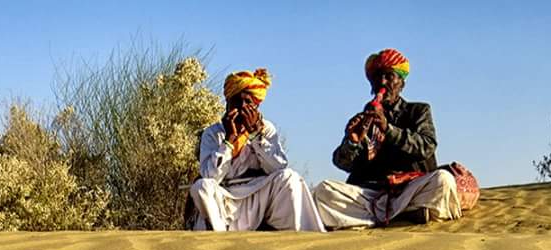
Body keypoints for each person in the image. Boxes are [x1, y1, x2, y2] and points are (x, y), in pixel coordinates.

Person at [313, 48, 461, 228]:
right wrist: (351, 141)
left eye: (389, 76)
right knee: (323, 191)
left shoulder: (418, 111)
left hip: (407, 190)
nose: (382, 82)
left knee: (443, 180)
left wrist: (388, 130)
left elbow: (427, 146)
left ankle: (380, 217)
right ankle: (400, 216)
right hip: (370, 194)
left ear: (401, 84)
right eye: (378, 77)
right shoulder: (365, 117)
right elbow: (342, 163)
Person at [188, 69, 326, 232]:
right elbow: (210, 176)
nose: (242, 107)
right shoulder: (212, 133)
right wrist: (229, 141)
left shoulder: (266, 129)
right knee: (202, 186)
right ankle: (218, 241)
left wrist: (256, 136)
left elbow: (277, 167)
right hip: (225, 197)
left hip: (259, 193)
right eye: (237, 102)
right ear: (227, 103)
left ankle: (303, 238)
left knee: (290, 178)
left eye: (248, 103)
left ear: (256, 106)